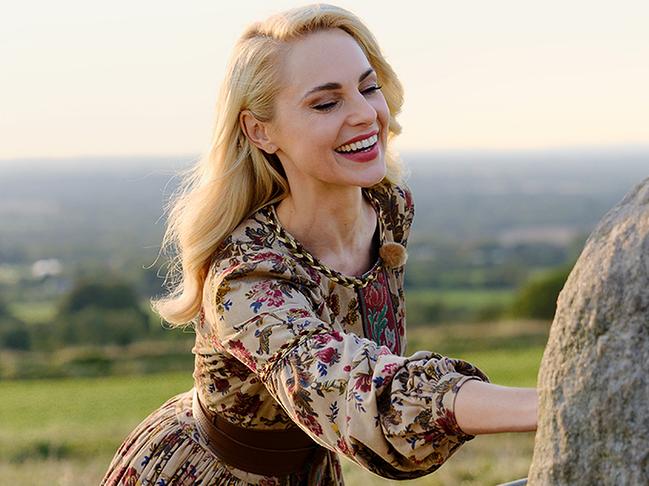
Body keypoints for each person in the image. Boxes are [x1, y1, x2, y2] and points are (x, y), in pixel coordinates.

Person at [101, 4, 537, 485]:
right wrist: (554, 402)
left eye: (368, 87)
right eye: (326, 103)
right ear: (260, 130)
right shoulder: (246, 278)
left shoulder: (389, 210)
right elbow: (353, 390)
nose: (364, 114)